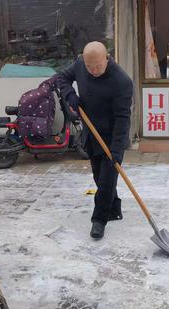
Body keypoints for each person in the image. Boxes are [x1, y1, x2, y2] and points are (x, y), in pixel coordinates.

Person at [57, 41, 133, 239]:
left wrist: (116, 151)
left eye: (98, 66)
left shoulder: (121, 81)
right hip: (91, 132)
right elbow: (62, 78)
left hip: (111, 136)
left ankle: (99, 219)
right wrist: (70, 95)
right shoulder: (81, 64)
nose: (93, 71)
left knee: (107, 180)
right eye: (89, 67)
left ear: (106, 57)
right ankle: (114, 208)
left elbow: (122, 119)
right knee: (99, 177)